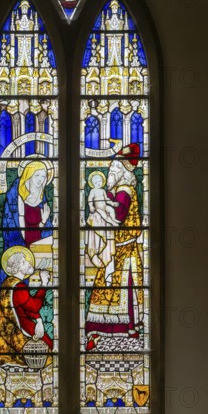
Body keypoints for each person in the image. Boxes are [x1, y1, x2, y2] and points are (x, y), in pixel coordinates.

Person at [86, 144, 144, 345]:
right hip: (118, 249)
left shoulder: (124, 193)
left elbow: (118, 217)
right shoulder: (120, 191)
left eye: (114, 168)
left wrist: (100, 212)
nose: (111, 170)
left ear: (120, 170)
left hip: (122, 251)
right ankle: (116, 328)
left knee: (114, 288)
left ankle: (114, 328)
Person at [0, 246, 53, 367]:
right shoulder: (18, 287)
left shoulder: (10, 282)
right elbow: (33, 306)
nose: (28, 262)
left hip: (20, 323)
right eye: (23, 261)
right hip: (20, 328)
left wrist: (39, 320)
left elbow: (26, 308)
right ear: (17, 267)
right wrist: (44, 284)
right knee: (48, 349)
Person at [2, 161, 52, 250]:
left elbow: (46, 231)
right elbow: (10, 225)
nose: (40, 179)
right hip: (20, 244)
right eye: (37, 175)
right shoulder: (15, 198)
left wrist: (44, 221)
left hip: (38, 245)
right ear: (29, 175)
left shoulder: (42, 200)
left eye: (43, 176)